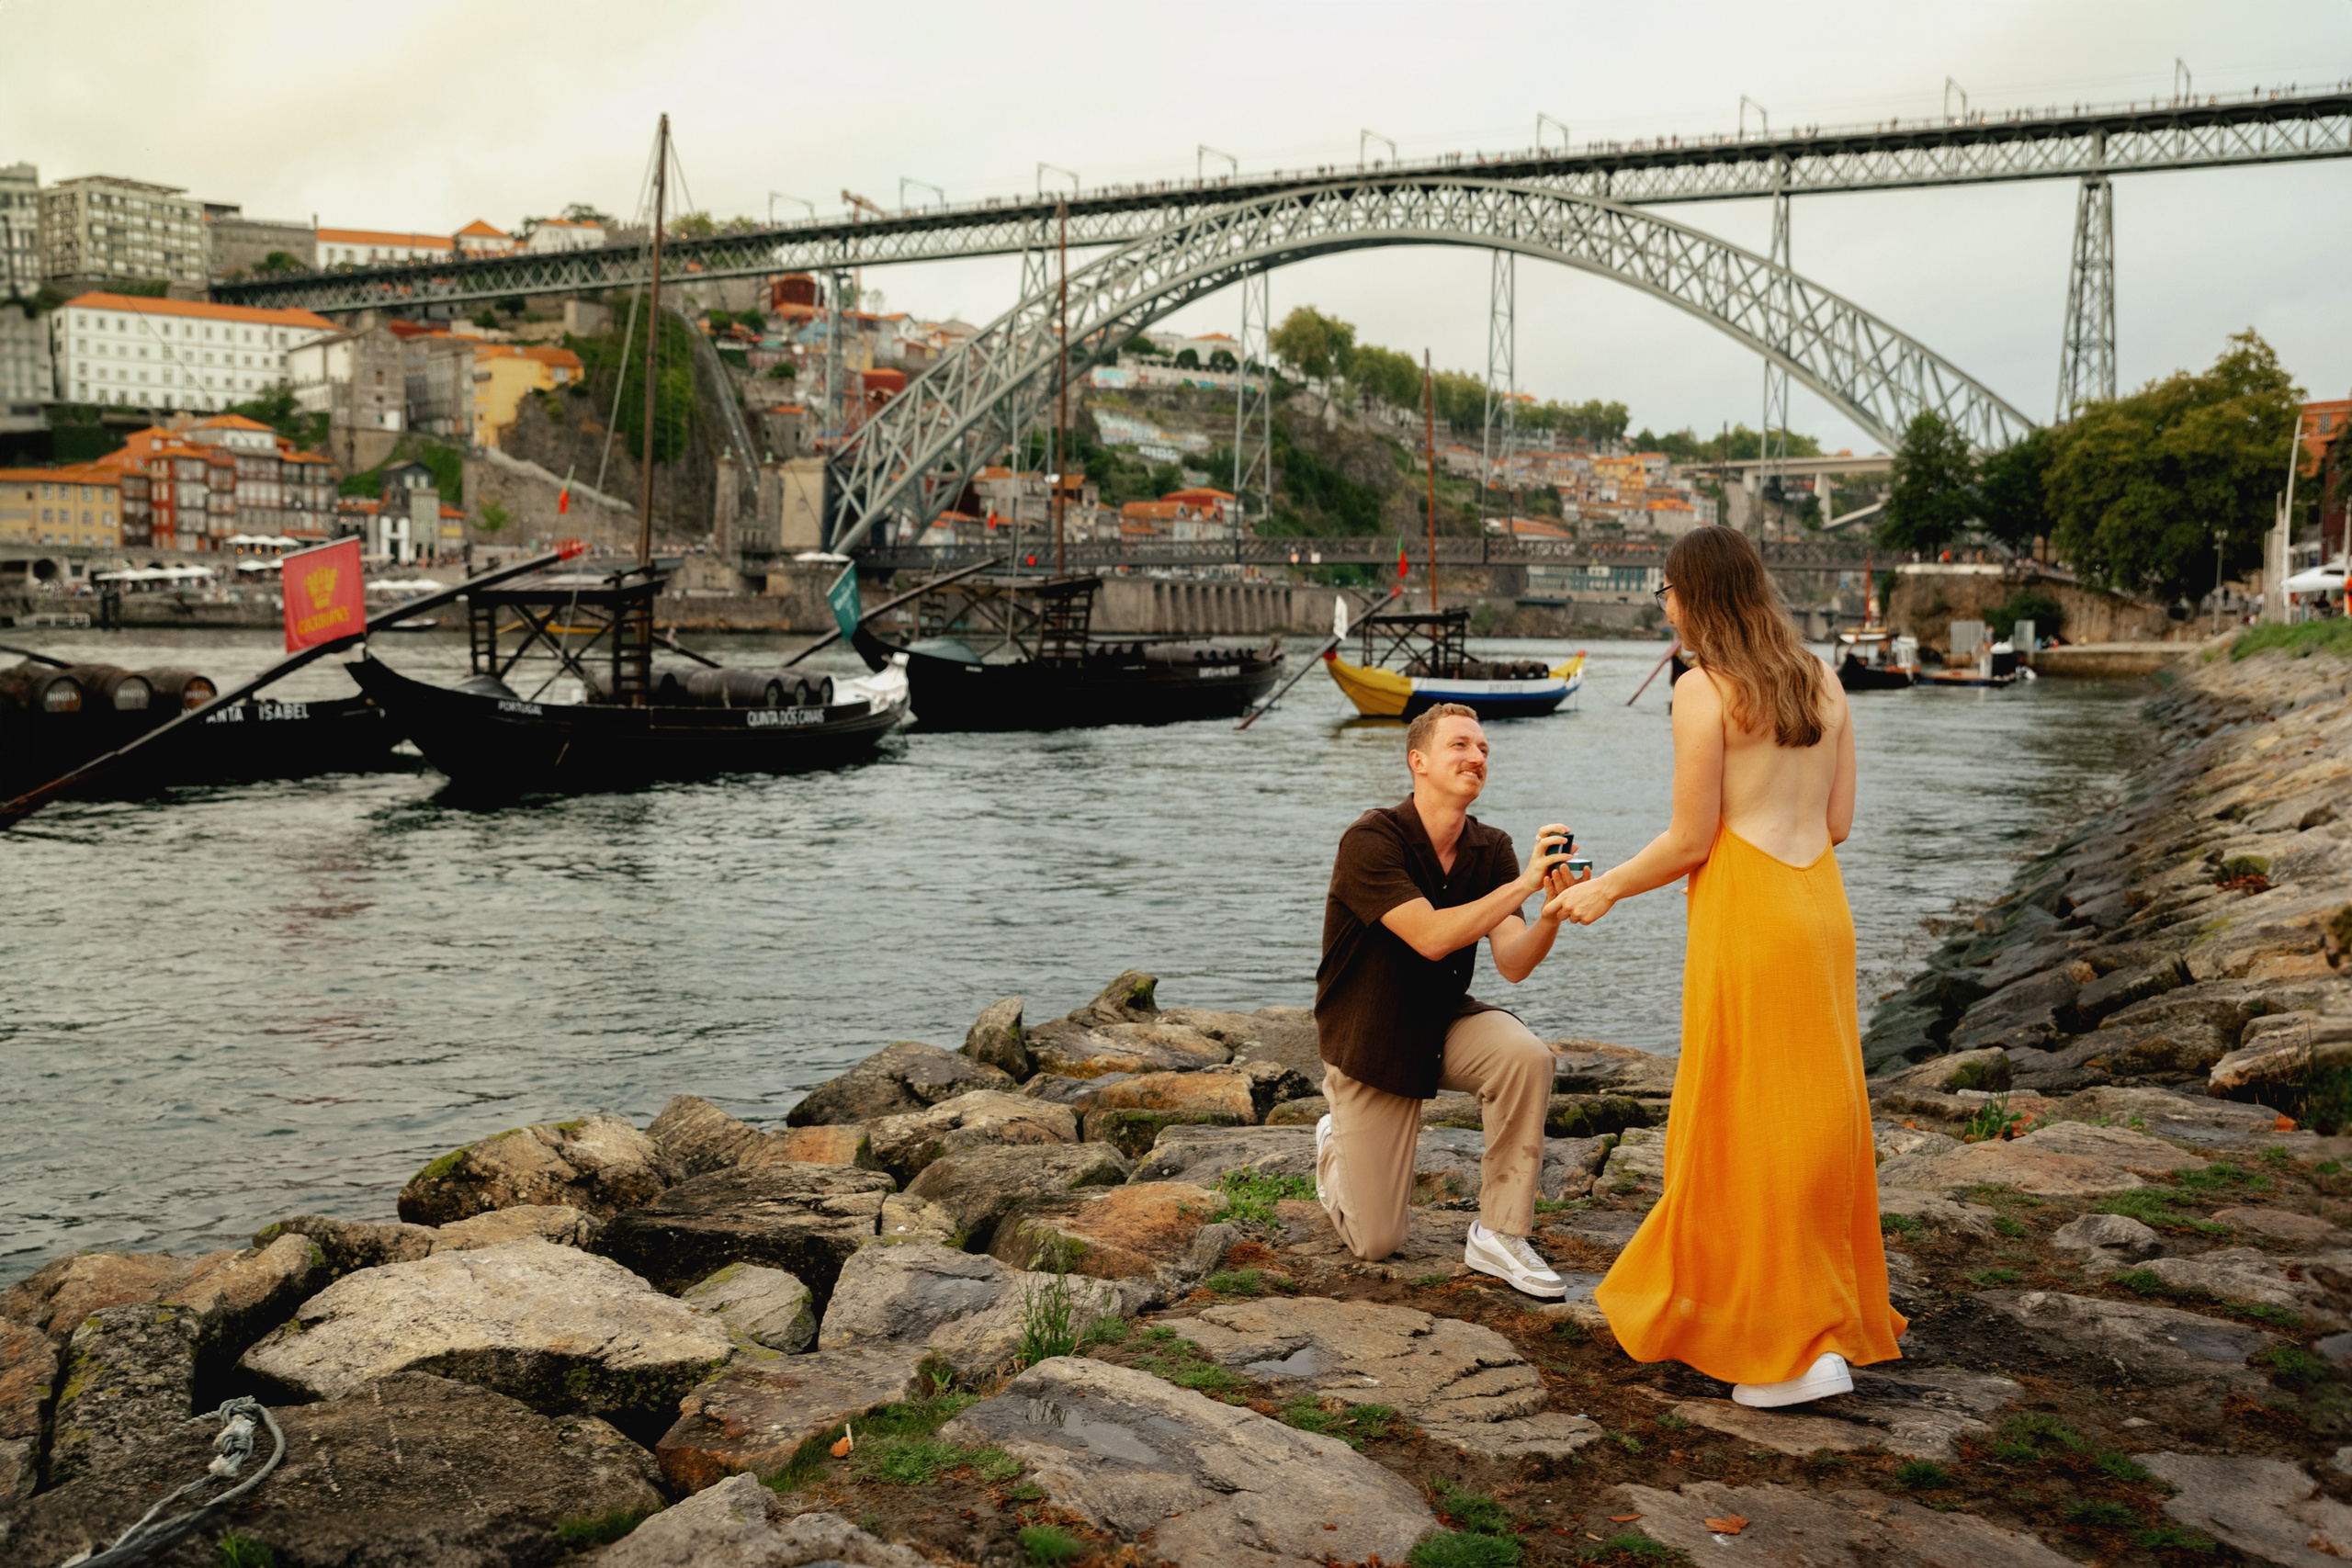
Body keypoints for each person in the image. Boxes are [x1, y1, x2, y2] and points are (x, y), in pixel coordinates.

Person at [1549, 526, 1905, 1407]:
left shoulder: (1701, 688)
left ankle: (1785, 1351)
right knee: (1818, 1109)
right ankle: (1818, 1319)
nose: (1661, 605)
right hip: (1820, 906)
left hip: (1749, 910)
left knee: (1744, 1113)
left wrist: (1607, 892)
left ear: (1697, 595)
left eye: (1667, 591)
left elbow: (1690, 837)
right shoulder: (1823, 677)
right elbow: (1841, 821)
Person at [1313, 701, 1587, 1296]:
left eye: (1484, 748)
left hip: (1441, 1021)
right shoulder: (1370, 840)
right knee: (1376, 1241)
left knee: (1527, 1056)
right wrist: (1523, 883)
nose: (1477, 756)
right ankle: (1336, 1142)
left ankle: (1499, 1232)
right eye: (1460, 745)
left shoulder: (1492, 848)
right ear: (1419, 761)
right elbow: (1432, 938)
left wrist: (1551, 910)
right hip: (1371, 1036)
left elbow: (1513, 962)